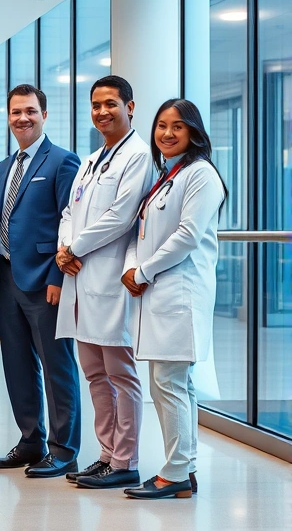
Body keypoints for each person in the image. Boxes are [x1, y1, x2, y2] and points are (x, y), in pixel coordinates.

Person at [55, 76, 155, 489]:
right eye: (95, 104)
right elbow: (68, 212)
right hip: (80, 278)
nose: (101, 111)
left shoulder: (139, 155)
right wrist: (64, 247)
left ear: (130, 107)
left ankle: (126, 460)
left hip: (109, 278)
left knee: (121, 373)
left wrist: (74, 248)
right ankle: (106, 455)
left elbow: (121, 215)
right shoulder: (93, 158)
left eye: (110, 103)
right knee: (94, 374)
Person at [123, 99, 226, 500]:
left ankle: (176, 472)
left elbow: (186, 235)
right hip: (160, 292)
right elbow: (142, 232)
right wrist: (132, 268)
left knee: (168, 382)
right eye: (161, 126)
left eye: (177, 127)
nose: (167, 133)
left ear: (194, 132)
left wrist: (143, 272)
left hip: (180, 293)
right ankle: (186, 466)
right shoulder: (168, 175)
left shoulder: (201, 175)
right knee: (175, 383)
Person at [0, 84, 82, 478]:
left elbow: (69, 222)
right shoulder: (2, 167)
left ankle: (63, 450)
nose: (22, 118)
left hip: (45, 280)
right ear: (7, 118)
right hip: (5, 278)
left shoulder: (62, 161)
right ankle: (30, 441)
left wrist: (59, 275)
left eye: (30, 111)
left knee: (57, 366)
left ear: (44, 114)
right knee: (16, 364)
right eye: (15, 112)